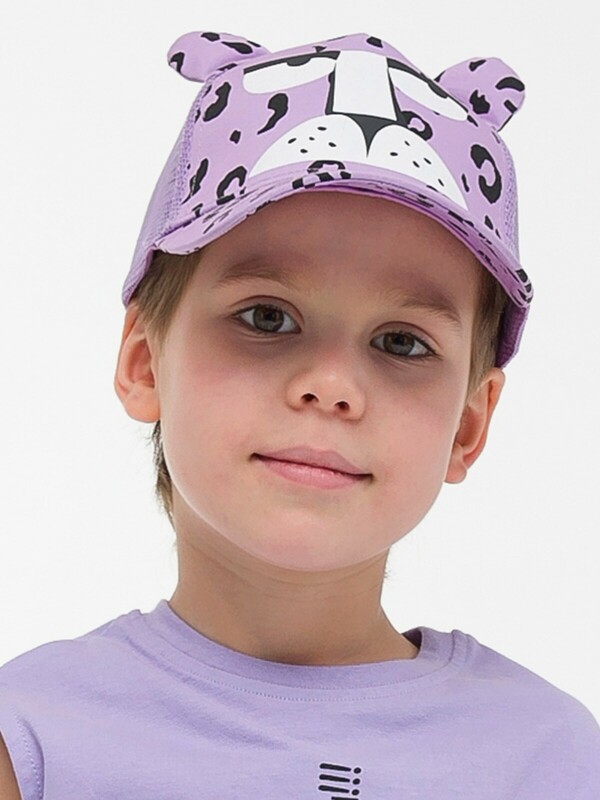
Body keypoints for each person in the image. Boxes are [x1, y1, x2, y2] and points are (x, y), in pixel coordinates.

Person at [1, 28, 598, 799]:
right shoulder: (31, 740)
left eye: (401, 342)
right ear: (144, 363)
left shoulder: (550, 760)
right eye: (267, 318)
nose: (332, 385)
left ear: (468, 426)